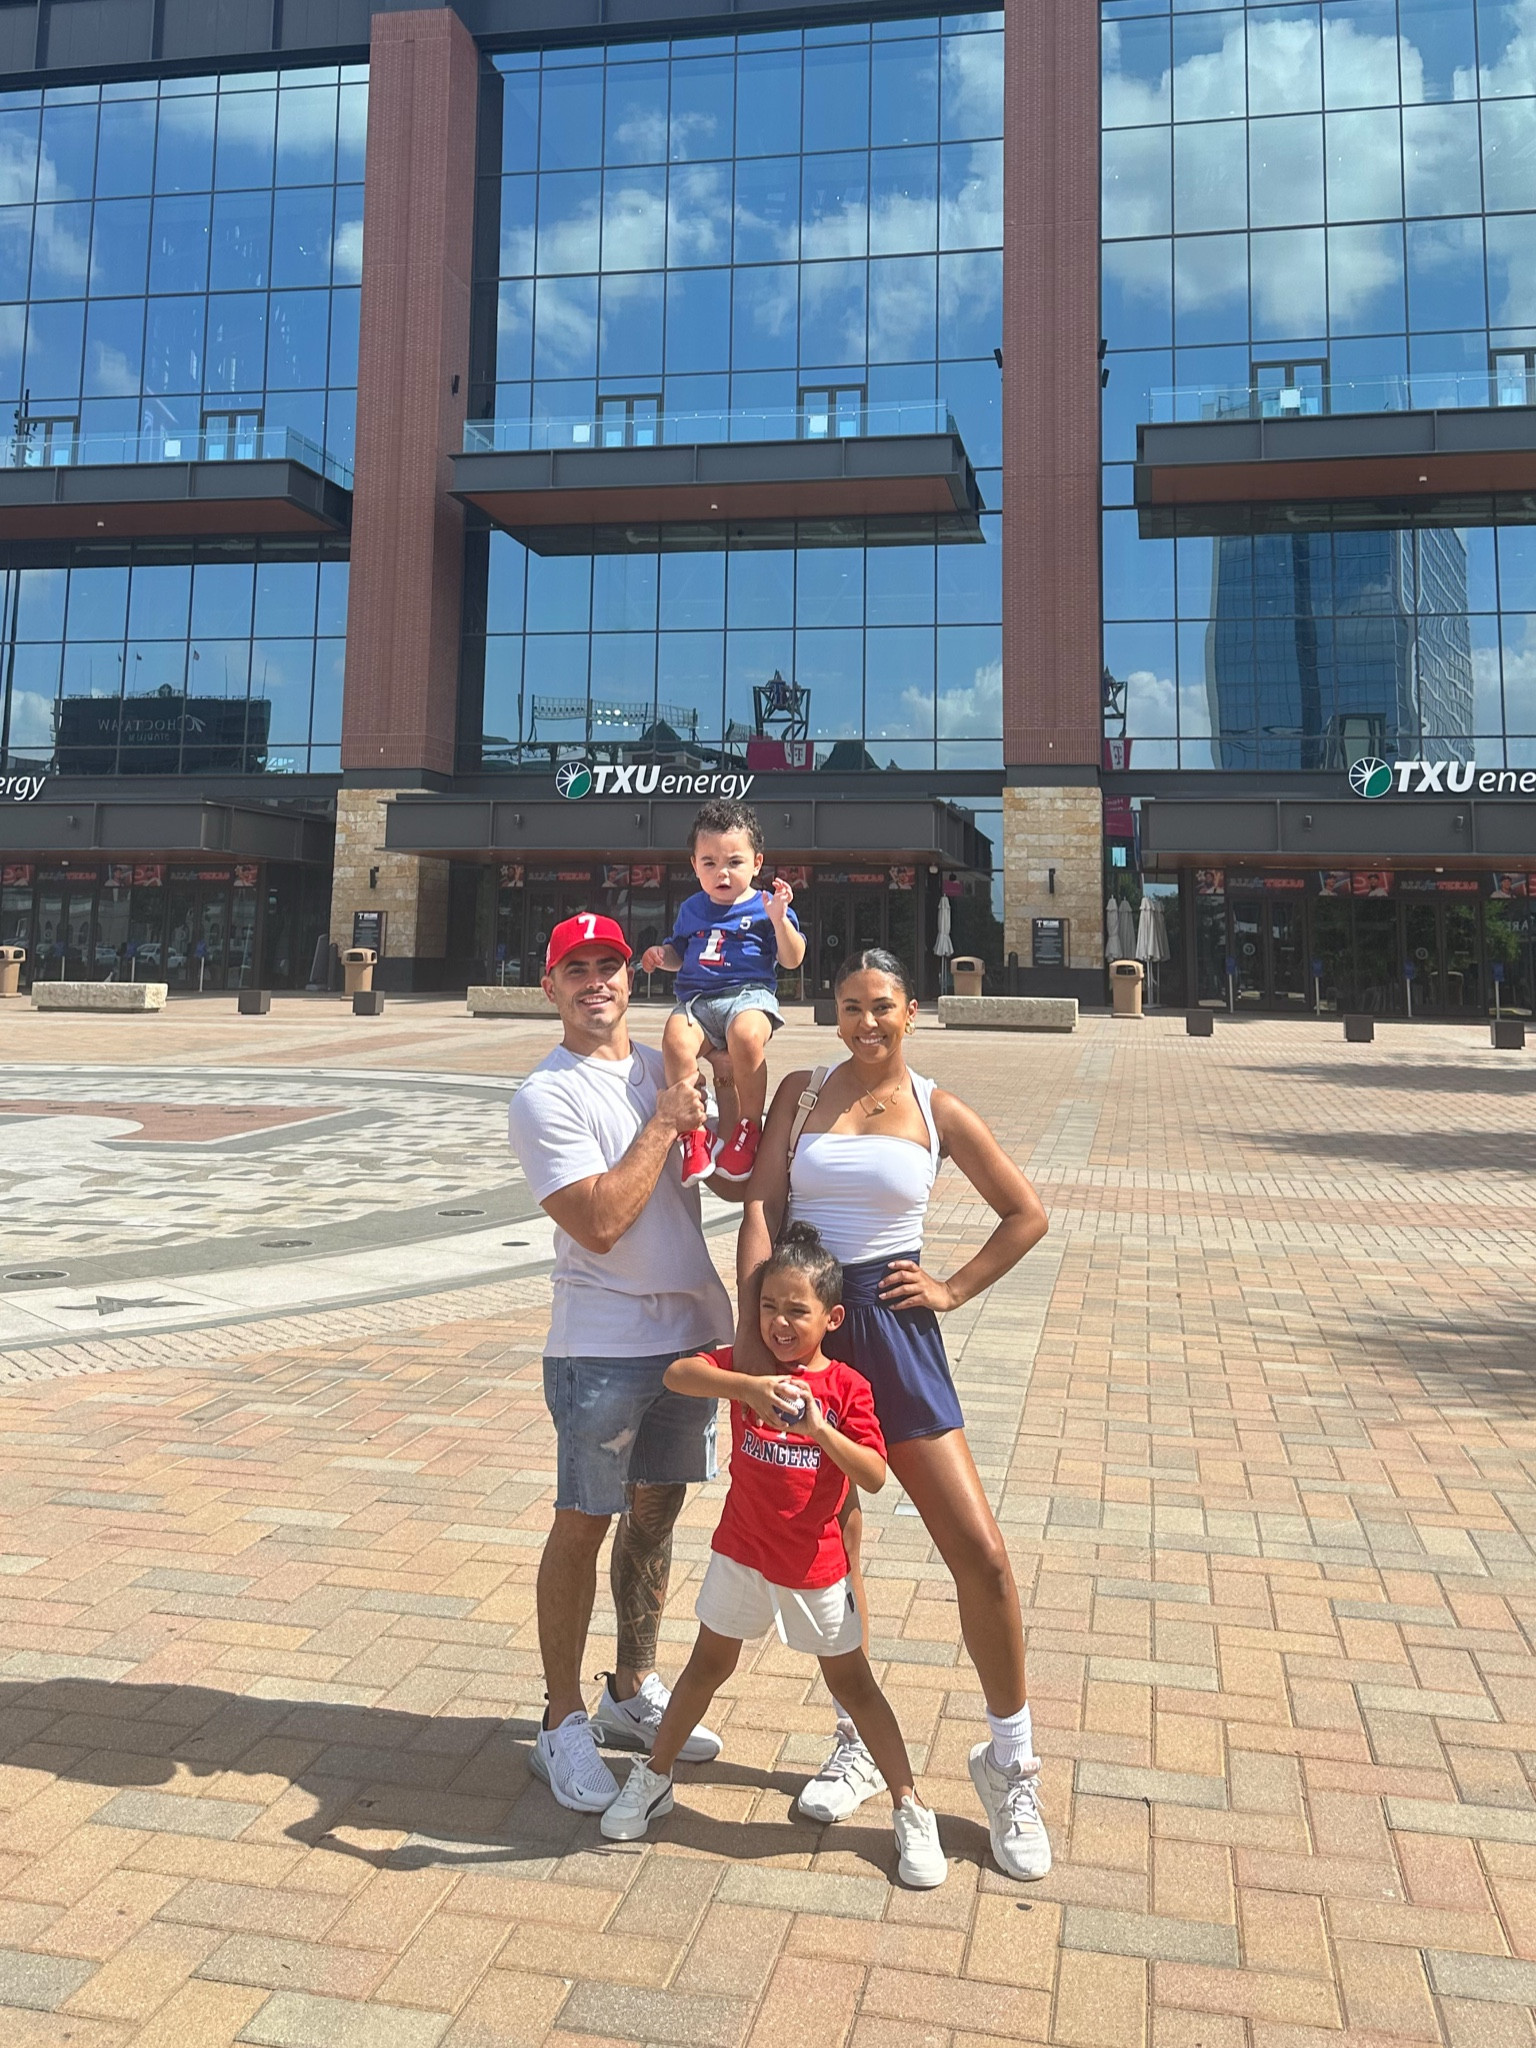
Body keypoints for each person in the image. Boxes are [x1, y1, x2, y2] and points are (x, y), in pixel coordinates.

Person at [736, 947, 1053, 1881]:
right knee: (834, 1543)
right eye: (848, 1007)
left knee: (981, 1552)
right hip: (807, 1336)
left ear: (912, 1010)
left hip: (897, 1335)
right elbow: (761, 1203)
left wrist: (953, 1287)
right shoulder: (800, 1092)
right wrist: (753, 1343)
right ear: (831, 1012)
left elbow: (1024, 1214)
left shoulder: (937, 1106)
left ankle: (1009, 1762)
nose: (865, 1023)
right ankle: (860, 1740)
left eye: (882, 1006)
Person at [599, 1222, 948, 1889]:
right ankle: (655, 1778)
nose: (781, 1323)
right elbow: (679, 1374)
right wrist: (749, 1389)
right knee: (706, 1666)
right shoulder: (751, 1369)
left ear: (831, 1317)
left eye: (797, 1310)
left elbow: (873, 1475)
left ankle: (910, 1806)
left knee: (853, 1685)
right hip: (741, 1552)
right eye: (769, 1308)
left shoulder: (846, 1388)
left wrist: (820, 1429)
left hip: (814, 1567)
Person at [507, 910, 734, 1812]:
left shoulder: (661, 1067)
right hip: (600, 1346)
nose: (596, 980)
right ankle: (560, 1722)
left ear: (630, 979)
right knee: (583, 1521)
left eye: (609, 964)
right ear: (550, 987)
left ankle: (628, 1689)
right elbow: (599, 1222)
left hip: (686, 1338)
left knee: (655, 1519)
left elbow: (716, 1171)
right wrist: (666, 1124)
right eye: (576, 968)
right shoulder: (546, 1096)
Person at [640, 799, 805, 1189]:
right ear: (694, 865)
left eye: (734, 861)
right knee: (675, 1040)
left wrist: (781, 921)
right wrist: (661, 957)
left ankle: (749, 1126)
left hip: (749, 996)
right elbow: (680, 954)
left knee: (746, 1036)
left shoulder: (767, 907)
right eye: (709, 863)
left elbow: (792, 959)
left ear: (757, 863)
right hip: (698, 1002)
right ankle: (693, 1132)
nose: (722, 873)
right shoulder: (692, 908)